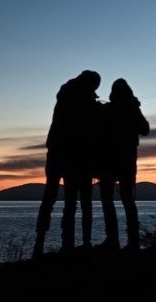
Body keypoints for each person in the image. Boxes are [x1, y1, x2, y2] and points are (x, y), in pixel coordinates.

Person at [33, 69, 102, 258]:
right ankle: (67, 245)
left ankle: (40, 244)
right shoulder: (83, 100)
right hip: (73, 156)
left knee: (49, 199)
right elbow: (88, 125)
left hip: (56, 152)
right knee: (70, 202)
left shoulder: (66, 93)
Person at [97, 78, 150, 251]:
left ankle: (113, 240)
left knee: (108, 199)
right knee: (127, 199)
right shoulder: (132, 109)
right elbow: (145, 129)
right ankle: (132, 241)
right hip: (126, 159)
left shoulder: (108, 109)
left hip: (108, 160)